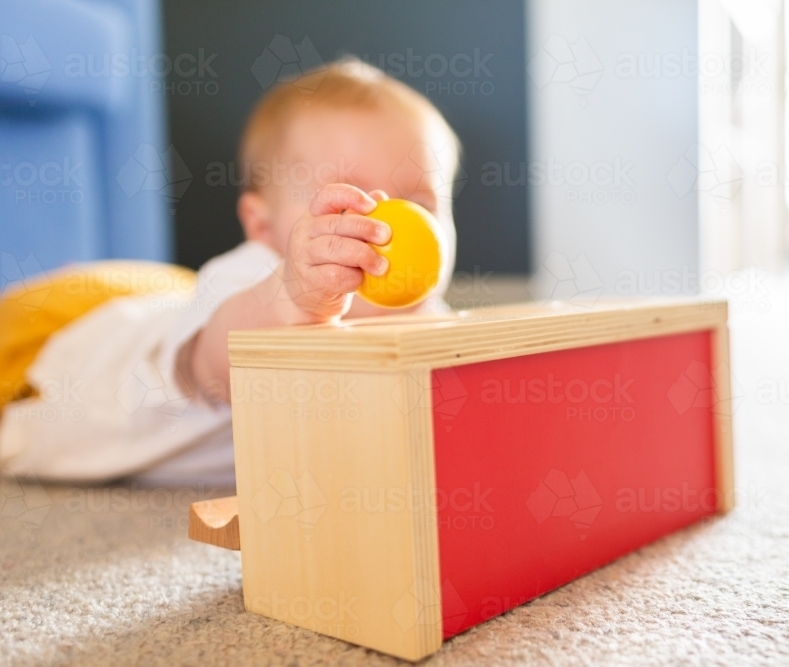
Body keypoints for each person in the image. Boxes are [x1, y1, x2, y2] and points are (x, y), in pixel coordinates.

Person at [0, 58, 460, 486]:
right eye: (349, 202)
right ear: (263, 226)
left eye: (419, 205)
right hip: (80, 392)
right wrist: (295, 296)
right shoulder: (256, 281)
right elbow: (219, 365)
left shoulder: (427, 317)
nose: (384, 229)